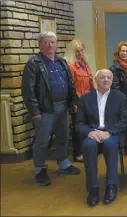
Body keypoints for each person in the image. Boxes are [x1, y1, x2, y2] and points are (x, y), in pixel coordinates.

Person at [21, 31, 81, 187]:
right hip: (45, 110)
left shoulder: (61, 62)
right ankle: (40, 169)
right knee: (42, 141)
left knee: (62, 137)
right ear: (40, 44)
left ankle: (64, 163)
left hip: (63, 106)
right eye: (46, 42)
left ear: (56, 43)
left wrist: (73, 100)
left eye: (52, 42)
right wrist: (34, 111)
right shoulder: (34, 63)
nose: (50, 45)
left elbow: (70, 83)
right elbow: (28, 90)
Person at [76, 69, 127, 207]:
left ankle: (111, 186)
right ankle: (93, 189)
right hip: (93, 132)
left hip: (112, 133)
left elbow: (124, 121)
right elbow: (79, 123)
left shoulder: (120, 97)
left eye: (109, 77)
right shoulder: (85, 98)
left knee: (110, 145)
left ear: (112, 80)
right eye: (102, 77)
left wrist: (109, 132)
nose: (106, 80)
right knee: (89, 145)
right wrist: (89, 132)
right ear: (96, 80)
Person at [64, 38, 94, 163]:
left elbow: (90, 83)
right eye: (77, 51)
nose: (80, 53)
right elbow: (70, 86)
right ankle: (78, 153)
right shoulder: (70, 66)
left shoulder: (85, 65)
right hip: (77, 101)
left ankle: (86, 150)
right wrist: (74, 102)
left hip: (87, 100)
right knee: (78, 128)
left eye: (81, 50)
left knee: (87, 126)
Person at [109, 41, 127, 156]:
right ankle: (125, 147)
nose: (125, 53)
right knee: (124, 124)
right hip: (122, 101)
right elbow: (115, 88)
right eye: (122, 51)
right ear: (118, 52)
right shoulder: (114, 68)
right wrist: (124, 102)